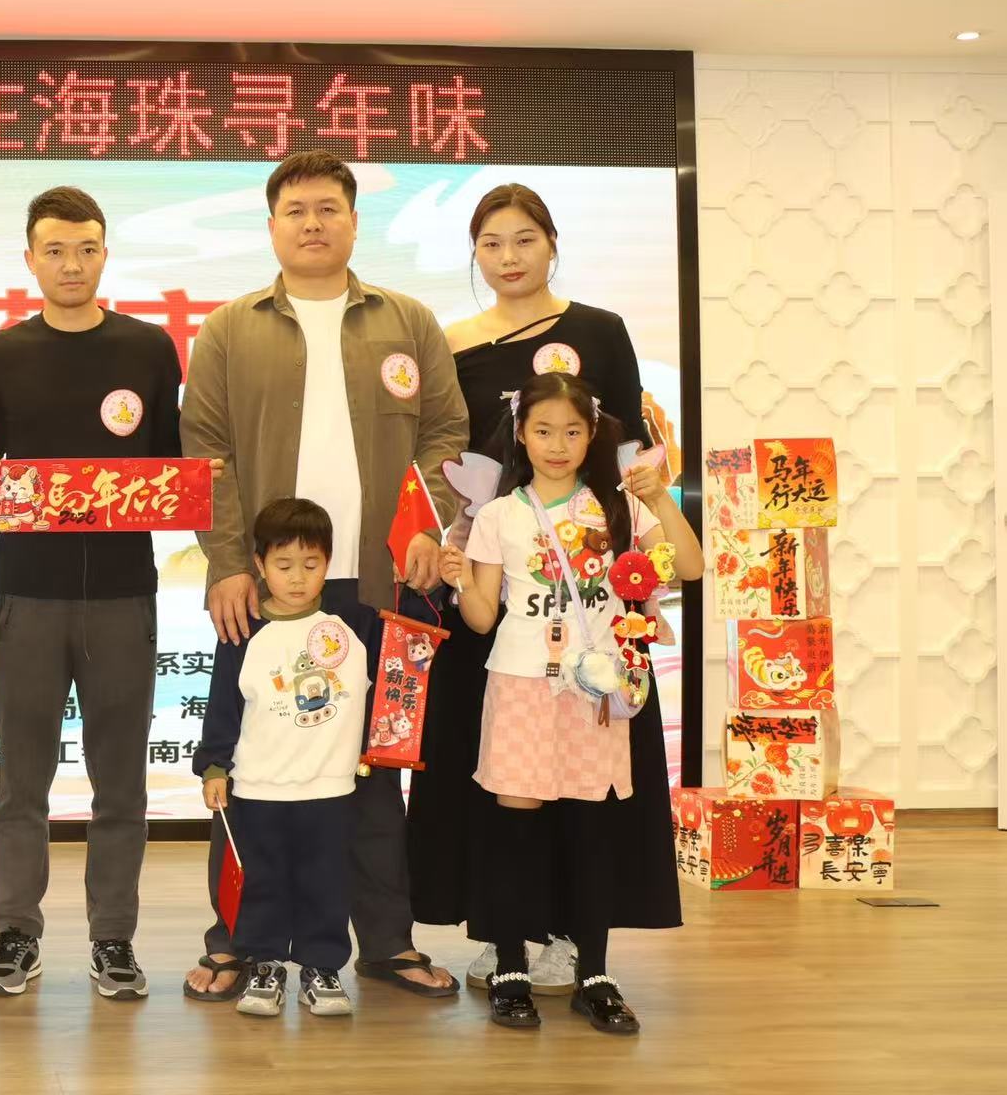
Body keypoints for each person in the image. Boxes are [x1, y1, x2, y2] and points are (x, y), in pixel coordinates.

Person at [179, 150, 467, 1001]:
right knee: (250, 772)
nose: (313, 223)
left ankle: (386, 942)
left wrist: (428, 525)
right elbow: (206, 455)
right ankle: (237, 942)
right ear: (272, 225)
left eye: (329, 208)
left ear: (353, 220)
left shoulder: (408, 321)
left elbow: (445, 434)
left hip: (382, 587)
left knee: (375, 773)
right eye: (297, 209)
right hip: (268, 592)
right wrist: (228, 563)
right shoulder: (230, 329)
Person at [413, 182, 678, 995]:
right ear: (474, 253)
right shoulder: (451, 342)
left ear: (552, 244)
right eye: (491, 244)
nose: (509, 257)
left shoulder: (600, 329)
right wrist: (446, 540)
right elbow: (443, 454)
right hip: (494, 571)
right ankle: (502, 935)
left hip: (591, 589)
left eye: (524, 240)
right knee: (498, 769)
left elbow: (630, 446)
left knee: (588, 770)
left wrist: (642, 549)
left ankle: (574, 937)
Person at [0, 186, 182, 1000]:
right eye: (54, 250)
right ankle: (15, 934)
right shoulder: (1, 354)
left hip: (124, 594)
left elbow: (170, 466)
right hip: (28, 593)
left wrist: (192, 488)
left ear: (104, 255)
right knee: (21, 785)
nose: (71, 265)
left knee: (121, 785)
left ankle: (113, 940)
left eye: (86, 249)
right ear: (30, 259)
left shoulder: (149, 349)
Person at [440, 370, 704, 1033]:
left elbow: (691, 567)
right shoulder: (498, 515)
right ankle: (510, 969)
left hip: (596, 688)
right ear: (520, 436)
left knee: (592, 830)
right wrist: (460, 579)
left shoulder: (620, 510)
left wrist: (661, 498)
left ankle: (595, 975)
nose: (557, 445)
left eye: (572, 431)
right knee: (515, 829)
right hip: (520, 684)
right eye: (543, 431)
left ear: (591, 436)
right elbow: (481, 618)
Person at [193, 499, 376, 1018]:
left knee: (326, 884)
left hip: (330, 789)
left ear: (329, 562)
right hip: (258, 790)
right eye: (284, 564)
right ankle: (264, 965)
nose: (298, 578)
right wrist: (214, 768)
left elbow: (394, 679)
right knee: (263, 882)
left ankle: (322, 968)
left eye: (311, 564)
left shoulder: (354, 625)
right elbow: (222, 706)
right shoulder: (243, 632)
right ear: (259, 564)